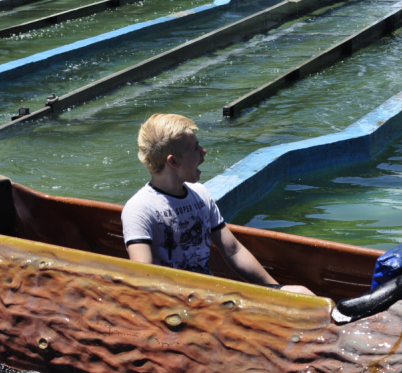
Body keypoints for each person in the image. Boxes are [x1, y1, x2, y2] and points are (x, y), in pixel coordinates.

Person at [122, 114, 314, 295]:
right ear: (173, 162)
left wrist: (276, 290)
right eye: (195, 148)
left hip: (210, 295)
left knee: (301, 293)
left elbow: (233, 250)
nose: (203, 151)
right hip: (175, 304)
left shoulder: (200, 194)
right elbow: (144, 280)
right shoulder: (140, 209)